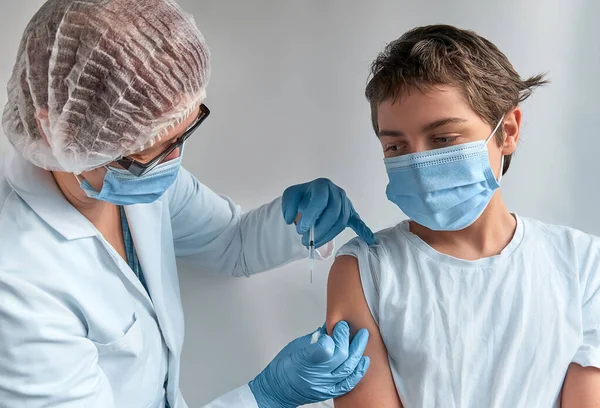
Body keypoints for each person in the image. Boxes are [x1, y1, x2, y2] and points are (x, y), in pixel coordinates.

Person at [0, 1, 375, 407]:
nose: (174, 163)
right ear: (60, 128)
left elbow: (232, 242)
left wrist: (300, 221)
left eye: (181, 137)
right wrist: (266, 396)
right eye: (155, 151)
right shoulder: (18, 283)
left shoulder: (129, 178)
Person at [326, 24, 600, 408]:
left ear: (507, 131)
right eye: (396, 146)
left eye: (442, 139)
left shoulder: (583, 265)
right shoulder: (365, 269)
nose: (418, 162)